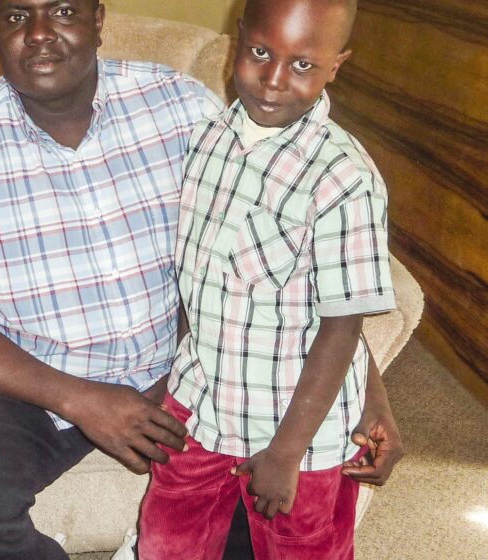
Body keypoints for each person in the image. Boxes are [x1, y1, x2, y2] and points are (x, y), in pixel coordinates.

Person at [0, 1, 401, 559]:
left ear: (97, 17)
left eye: (60, 10)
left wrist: (370, 396)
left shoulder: (178, 106)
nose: (37, 35)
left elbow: (289, 268)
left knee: (245, 529)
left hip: (187, 365)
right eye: (15, 16)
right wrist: (80, 399)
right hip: (27, 371)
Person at [136, 0, 398, 558]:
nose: (274, 81)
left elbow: (341, 324)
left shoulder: (344, 177)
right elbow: (197, 277)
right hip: (201, 404)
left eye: (302, 64)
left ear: (336, 65)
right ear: (239, 38)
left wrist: (285, 452)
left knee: (303, 547)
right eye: (260, 52)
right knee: (166, 540)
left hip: (300, 432)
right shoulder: (207, 143)